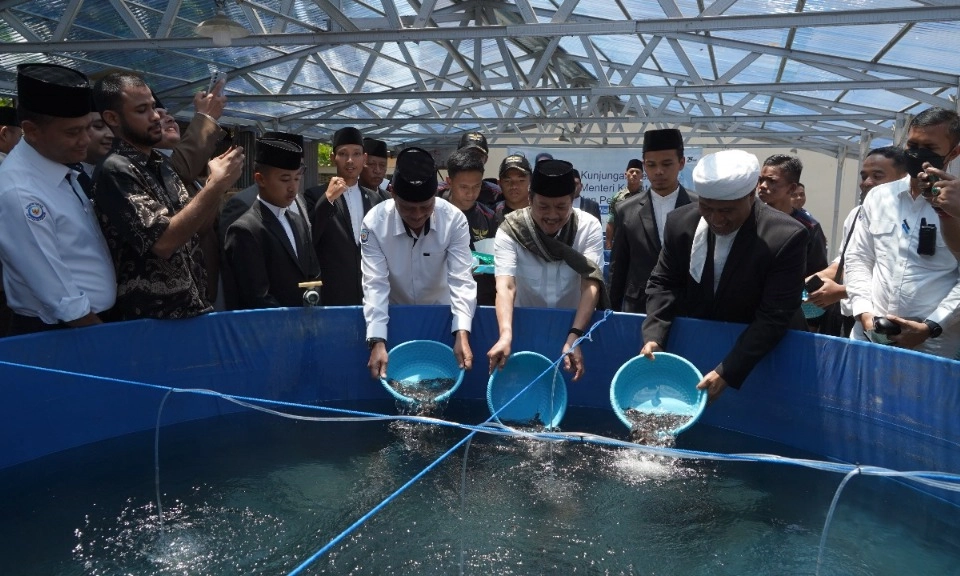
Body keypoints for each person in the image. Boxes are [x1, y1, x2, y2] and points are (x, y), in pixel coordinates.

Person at [640, 149, 808, 402]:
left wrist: (729, 370)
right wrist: (654, 337)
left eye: (727, 210)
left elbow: (775, 315)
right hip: (702, 343)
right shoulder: (681, 223)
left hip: (760, 354)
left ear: (751, 196)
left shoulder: (785, 236)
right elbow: (663, 282)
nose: (716, 219)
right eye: (707, 208)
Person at [92, 72, 244, 320]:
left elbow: (195, 228)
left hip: (191, 310)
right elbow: (163, 242)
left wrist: (218, 186)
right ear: (112, 118)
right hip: (152, 321)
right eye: (142, 110)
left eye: (153, 106)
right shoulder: (116, 169)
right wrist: (214, 187)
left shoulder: (161, 164)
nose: (155, 116)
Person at [0, 63, 115, 335]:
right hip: (66, 332)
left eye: (87, 128)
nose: (86, 140)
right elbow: (63, 301)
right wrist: (104, 341)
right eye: (72, 132)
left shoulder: (63, 168)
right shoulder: (19, 192)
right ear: (32, 130)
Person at [845, 108, 960, 359]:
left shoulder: (957, 203)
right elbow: (858, 258)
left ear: (954, 151)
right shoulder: (879, 196)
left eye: (929, 146)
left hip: (933, 346)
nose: (918, 153)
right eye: (912, 144)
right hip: (870, 335)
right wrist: (865, 314)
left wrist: (931, 326)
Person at [361, 147, 476, 379]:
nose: (416, 215)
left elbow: (461, 279)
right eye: (407, 208)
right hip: (395, 317)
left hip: (442, 319)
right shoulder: (374, 223)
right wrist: (377, 339)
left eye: (425, 207)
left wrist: (462, 332)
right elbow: (375, 284)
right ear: (393, 196)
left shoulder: (454, 220)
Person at [486, 159, 605, 382]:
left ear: (573, 201)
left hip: (573, 324)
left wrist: (575, 337)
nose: (552, 215)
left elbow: (590, 283)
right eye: (543, 206)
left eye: (561, 207)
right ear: (530, 200)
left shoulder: (588, 227)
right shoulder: (511, 230)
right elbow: (506, 286)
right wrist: (505, 334)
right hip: (523, 329)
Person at [806, 147, 908, 336]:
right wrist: (813, 280)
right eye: (863, 176)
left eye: (877, 176)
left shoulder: (911, 221)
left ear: (903, 178)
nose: (867, 183)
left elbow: (896, 279)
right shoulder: (856, 215)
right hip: (852, 319)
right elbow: (845, 261)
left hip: (889, 324)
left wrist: (843, 291)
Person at [223, 138, 320, 309]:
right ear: (260, 179)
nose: (293, 187)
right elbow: (256, 296)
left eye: (297, 179)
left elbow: (313, 274)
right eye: (285, 179)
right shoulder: (246, 229)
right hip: (271, 327)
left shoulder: (297, 221)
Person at [609, 128, 696, 313]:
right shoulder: (626, 209)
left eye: (666, 164)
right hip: (639, 306)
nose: (658, 171)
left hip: (685, 305)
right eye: (651, 165)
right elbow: (619, 266)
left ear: (681, 163)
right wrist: (612, 310)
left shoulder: (699, 207)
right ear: (644, 165)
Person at [304, 127, 387, 306]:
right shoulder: (315, 195)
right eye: (343, 154)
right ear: (334, 158)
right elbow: (308, 238)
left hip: (370, 293)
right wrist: (328, 199)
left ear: (364, 158)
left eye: (356, 154)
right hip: (333, 294)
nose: (350, 160)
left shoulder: (374, 198)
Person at [757, 154, 828, 278]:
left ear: (791, 188)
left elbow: (818, 271)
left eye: (771, 181)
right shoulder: (749, 218)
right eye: (760, 180)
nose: (762, 185)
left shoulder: (809, 226)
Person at [436, 131, 501, 208]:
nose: (473, 158)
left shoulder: (496, 193)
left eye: (478, 155)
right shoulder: (436, 192)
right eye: (468, 153)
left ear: (486, 159)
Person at [605, 158, 643, 250]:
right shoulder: (617, 197)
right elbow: (611, 221)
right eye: (631, 171)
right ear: (626, 174)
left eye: (637, 172)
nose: (634, 174)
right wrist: (609, 242)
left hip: (640, 242)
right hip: (620, 242)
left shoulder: (646, 197)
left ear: (642, 176)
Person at [495, 153, 532, 225]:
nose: (514, 186)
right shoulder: (490, 216)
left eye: (521, 180)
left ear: (531, 182)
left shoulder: (541, 214)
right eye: (507, 181)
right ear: (499, 184)